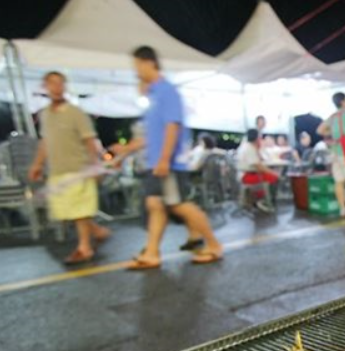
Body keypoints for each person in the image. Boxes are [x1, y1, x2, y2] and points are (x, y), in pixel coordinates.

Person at [124, 46, 222, 269]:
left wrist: (164, 159)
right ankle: (151, 253)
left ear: (149, 62)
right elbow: (152, 135)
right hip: (158, 162)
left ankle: (214, 245)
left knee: (179, 205)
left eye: (137, 66)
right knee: (155, 204)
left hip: (167, 163)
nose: (136, 71)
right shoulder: (154, 95)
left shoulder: (167, 90)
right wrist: (125, 150)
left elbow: (172, 126)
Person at [27, 71, 110, 265]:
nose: (56, 88)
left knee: (79, 211)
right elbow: (45, 142)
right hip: (57, 170)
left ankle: (84, 248)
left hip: (78, 169)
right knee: (65, 211)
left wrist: (95, 165)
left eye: (60, 83)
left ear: (65, 86)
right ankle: (97, 231)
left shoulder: (75, 112)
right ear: (44, 87)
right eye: (52, 84)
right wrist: (37, 164)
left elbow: (90, 140)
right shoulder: (45, 114)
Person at [237, 128, 279, 212]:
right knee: (274, 177)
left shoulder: (247, 146)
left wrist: (258, 148)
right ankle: (265, 201)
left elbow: (259, 161)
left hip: (246, 174)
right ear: (257, 138)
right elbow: (258, 166)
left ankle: (261, 200)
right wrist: (273, 172)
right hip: (248, 176)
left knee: (272, 175)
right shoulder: (249, 148)